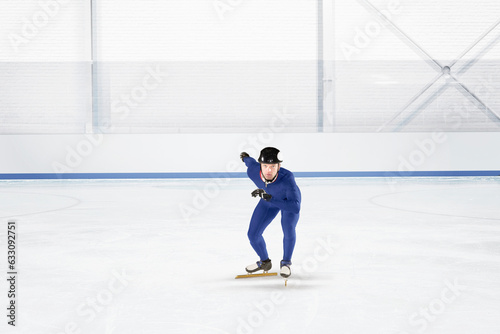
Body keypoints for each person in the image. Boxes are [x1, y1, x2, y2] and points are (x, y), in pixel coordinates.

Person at [240, 147, 301, 278]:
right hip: (268, 199)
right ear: (260, 165)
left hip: (287, 201)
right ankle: (264, 262)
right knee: (252, 234)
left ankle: (286, 263)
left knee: (288, 228)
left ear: (279, 166)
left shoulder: (288, 178)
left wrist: (271, 199)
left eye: (273, 166)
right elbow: (250, 162)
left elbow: (295, 207)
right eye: (265, 165)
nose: (268, 170)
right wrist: (245, 157)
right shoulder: (252, 171)